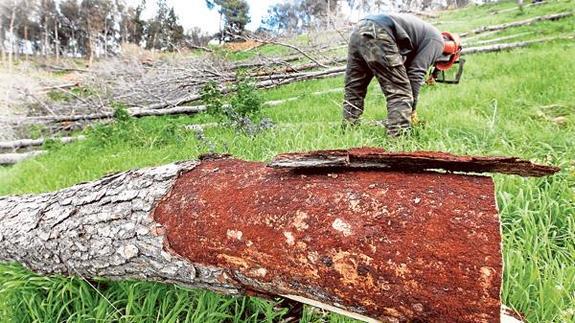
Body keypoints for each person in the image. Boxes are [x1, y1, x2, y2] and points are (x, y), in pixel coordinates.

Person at [342, 13, 461, 136]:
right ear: (449, 54)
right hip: (380, 31)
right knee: (401, 93)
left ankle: (348, 132)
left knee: (354, 88)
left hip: (359, 29)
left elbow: (406, 70)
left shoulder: (424, 38)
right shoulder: (437, 41)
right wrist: (412, 110)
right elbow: (415, 74)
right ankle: (398, 142)